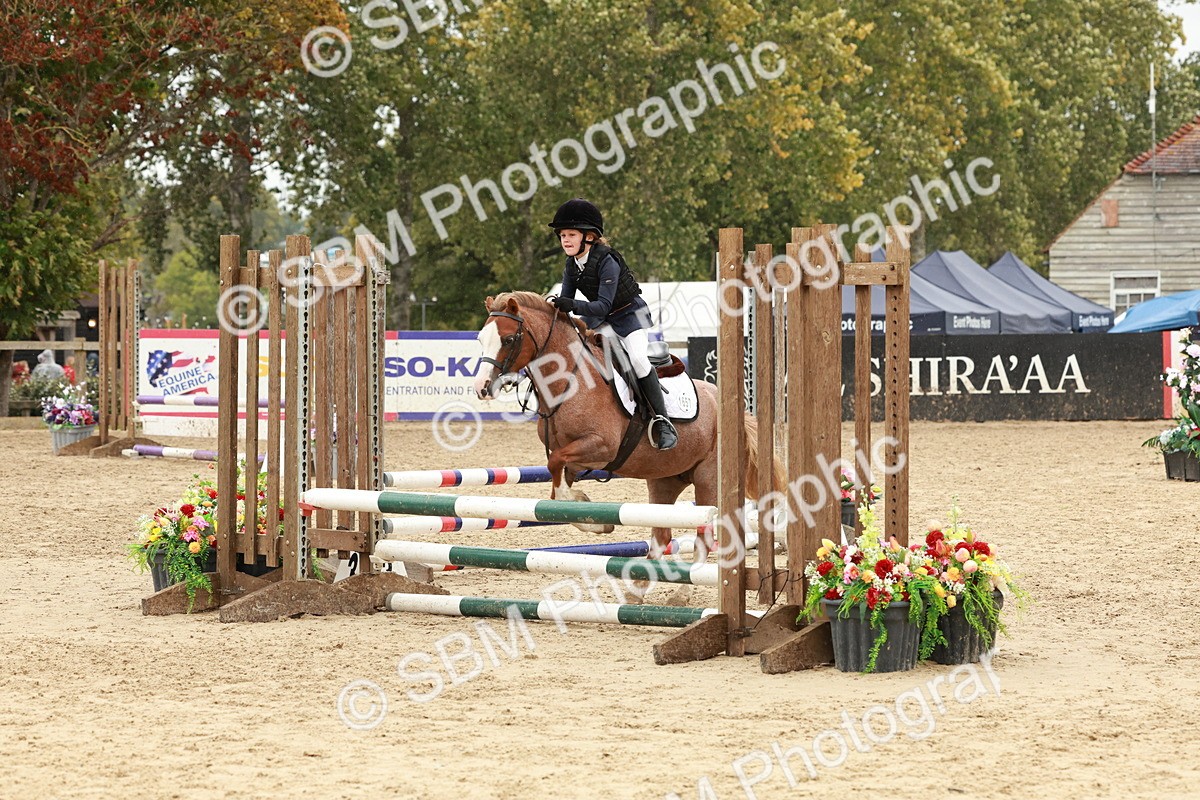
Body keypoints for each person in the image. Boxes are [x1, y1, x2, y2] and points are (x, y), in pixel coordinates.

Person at [547, 198, 678, 450]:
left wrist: (570, 305)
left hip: (630, 316)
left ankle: (662, 420)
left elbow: (601, 306)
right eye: (562, 235)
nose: (565, 240)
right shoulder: (571, 265)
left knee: (638, 360)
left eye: (571, 234)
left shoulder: (607, 260)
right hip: (601, 319)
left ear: (590, 237)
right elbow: (567, 300)